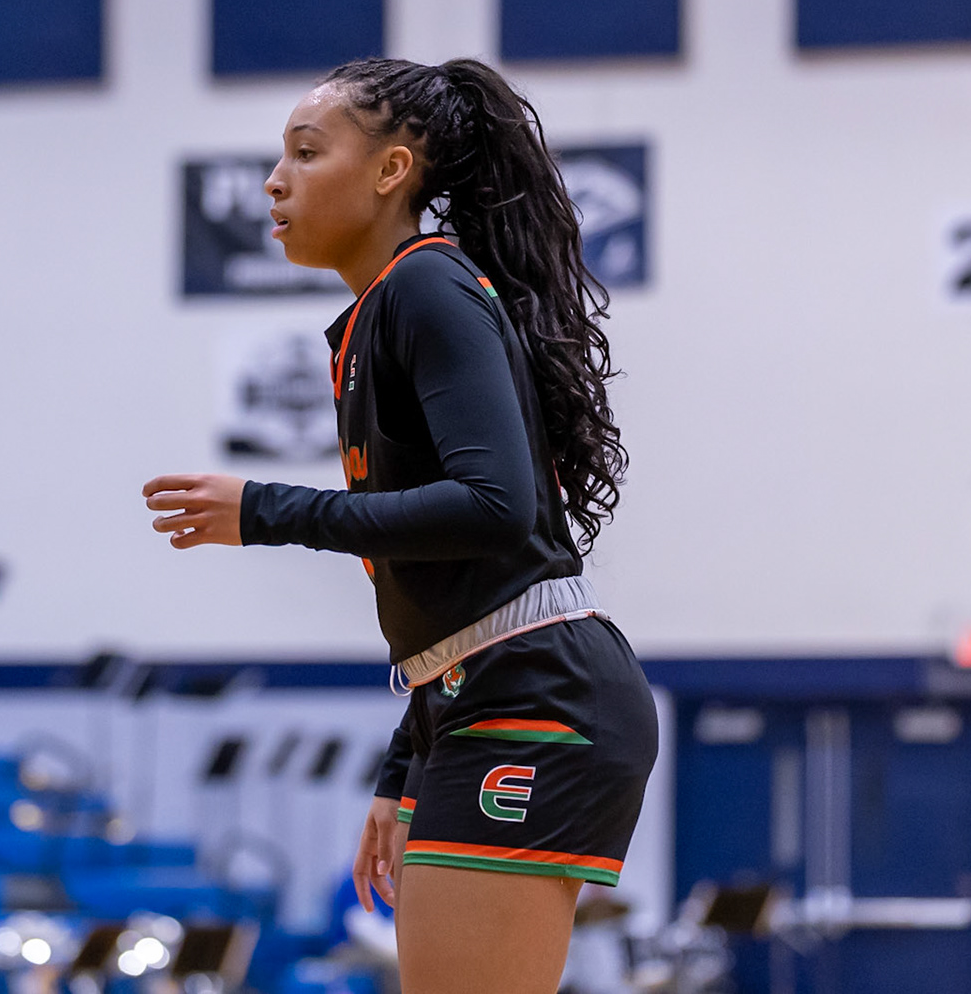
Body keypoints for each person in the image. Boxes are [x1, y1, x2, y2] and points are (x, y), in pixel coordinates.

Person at [144, 58, 658, 993]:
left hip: (536, 695)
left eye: (306, 153)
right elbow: (453, 603)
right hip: (479, 691)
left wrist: (264, 510)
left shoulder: (426, 285)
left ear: (391, 171)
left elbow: (495, 510)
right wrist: (406, 767)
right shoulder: (387, 305)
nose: (274, 181)